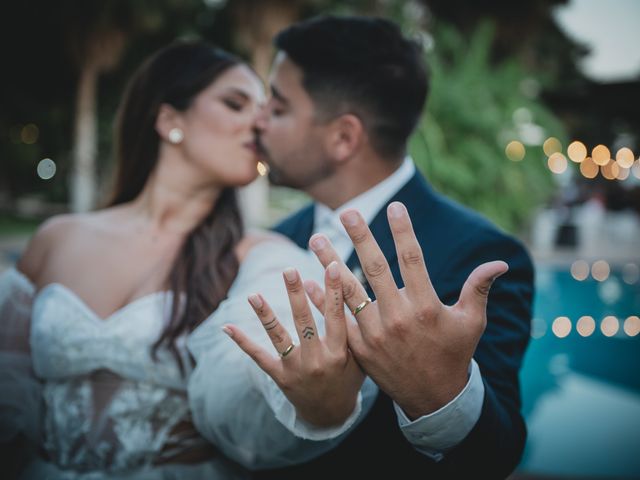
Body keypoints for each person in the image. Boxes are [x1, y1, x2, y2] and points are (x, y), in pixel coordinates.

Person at [0, 39, 376, 480]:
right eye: (235, 103)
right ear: (168, 119)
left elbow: (270, 396)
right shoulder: (57, 239)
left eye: (267, 109)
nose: (259, 122)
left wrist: (320, 400)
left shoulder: (258, 258)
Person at [227, 14, 534, 479]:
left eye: (280, 106)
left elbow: (494, 455)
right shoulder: (275, 238)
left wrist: (439, 396)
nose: (259, 120)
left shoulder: (480, 256)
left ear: (343, 137)